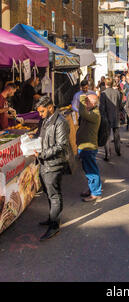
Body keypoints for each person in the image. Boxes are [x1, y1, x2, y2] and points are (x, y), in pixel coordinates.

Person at [34, 96, 70, 241]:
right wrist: (34, 138)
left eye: (42, 111)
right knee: (49, 193)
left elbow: (61, 146)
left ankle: (54, 226)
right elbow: (43, 137)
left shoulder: (60, 122)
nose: (40, 114)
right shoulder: (46, 119)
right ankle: (51, 218)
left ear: (50, 108)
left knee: (54, 195)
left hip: (54, 164)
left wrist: (42, 154)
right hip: (44, 163)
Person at [76, 94, 102, 202]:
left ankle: (96, 193)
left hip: (89, 148)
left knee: (92, 171)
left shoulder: (95, 114)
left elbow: (82, 112)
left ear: (93, 103)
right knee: (88, 170)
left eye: (87, 101)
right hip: (85, 147)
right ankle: (92, 189)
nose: (85, 103)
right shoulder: (91, 112)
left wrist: (82, 98)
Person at [100, 77, 122, 161]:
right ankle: (118, 150)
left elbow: (102, 108)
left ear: (105, 84)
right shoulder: (117, 92)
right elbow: (120, 105)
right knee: (116, 135)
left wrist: (102, 117)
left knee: (107, 136)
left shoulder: (103, 93)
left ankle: (107, 154)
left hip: (107, 117)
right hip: (116, 116)